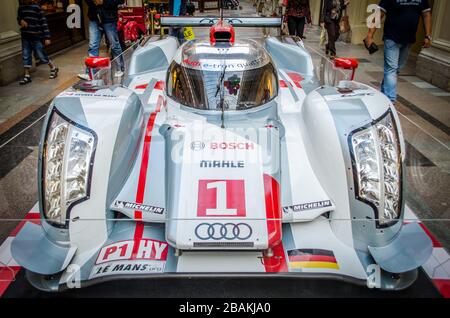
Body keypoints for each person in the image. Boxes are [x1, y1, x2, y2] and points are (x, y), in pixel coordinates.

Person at [364, 0, 432, 103]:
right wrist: (370, 35)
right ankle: (390, 100)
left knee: (395, 70)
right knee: (391, 69)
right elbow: (379, 14)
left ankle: (384, 93)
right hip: (392, 37)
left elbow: (426, 14)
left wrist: (428, 35)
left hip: (408, 39)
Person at [78, 0, 125, 80]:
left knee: (114, 44)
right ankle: (90, 73)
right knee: (93, 45)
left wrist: (104, 2)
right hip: (94, 17)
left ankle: (120, 68)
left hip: (109, 18)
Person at [17, 0, 58, 85]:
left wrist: (47, 37)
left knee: (41, 55)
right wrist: (20, 21)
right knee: (26, 56)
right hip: (25, 36)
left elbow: (44, 23)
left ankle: (53, 68)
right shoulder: (21, 8)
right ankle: (27, 76)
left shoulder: (36, 8)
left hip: (36, 37)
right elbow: (19, 18)